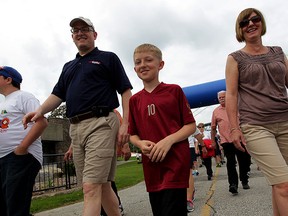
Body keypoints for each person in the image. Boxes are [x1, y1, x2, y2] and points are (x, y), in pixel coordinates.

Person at [23, 17, 132, 216]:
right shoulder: (68, 67)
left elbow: (126, 91)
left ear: (94, 34)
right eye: (75, 30)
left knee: (90, 188)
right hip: (76, 128)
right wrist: (39, 111)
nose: (80, 32)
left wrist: (126, 124)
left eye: (85, 29)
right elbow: (57, 95)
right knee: (103, 185)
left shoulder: (108, 58)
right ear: (72, 37)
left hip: (101, 123)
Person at [225, 8, 288, 215]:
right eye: (244, 22)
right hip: (256, 125)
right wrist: (234, 129)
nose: (250, 24)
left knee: (279, 184)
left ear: (261, 23)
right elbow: (232, 95)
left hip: (285, 121)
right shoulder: (235, 58)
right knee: (284, 185)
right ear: (240, 29)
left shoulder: (278, 52)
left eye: (255, 19)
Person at [129, 43, 196, 216]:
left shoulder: (174, 91)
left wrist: (168, 140)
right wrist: (140, 143)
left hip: (175, 163)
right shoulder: (135, 100)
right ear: (135, 68)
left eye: (148, 60)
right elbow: (132, 134)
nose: (142, 64)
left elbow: (190, 125)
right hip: (152, 168)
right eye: (138, 62)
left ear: (160, 64)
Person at [0, 66, 48, 216]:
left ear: (8, 79)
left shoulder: (24, 97)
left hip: (21, 157)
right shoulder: (3, 103)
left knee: (16, 206)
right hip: (4, 158)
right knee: (7, 207)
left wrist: (22, 148)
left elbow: (41, 122)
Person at [211, 90, 251, 195]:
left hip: (239, 138)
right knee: (230, 162)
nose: (221, 99)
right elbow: (213, 128)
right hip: (226, 140)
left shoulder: (236, 107)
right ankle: (233, 185)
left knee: (244, 160)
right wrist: (213, 141)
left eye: (223, 97)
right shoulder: (216, 111)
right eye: (219, 97)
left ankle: (244, 179)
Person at [186, 128, 206, 212]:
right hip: (170, 147)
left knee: (187, 171)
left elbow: (197, 134)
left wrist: (203, 146)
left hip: (187, 147)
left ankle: (188, 199)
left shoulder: (185, 117)